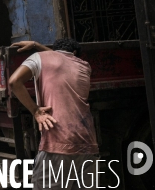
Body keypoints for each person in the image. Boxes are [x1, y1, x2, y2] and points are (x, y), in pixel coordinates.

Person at [9, 39, 98, 189]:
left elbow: (14, 81)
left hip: (59, 141)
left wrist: (35, 110)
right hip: (88, 143)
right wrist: (38, 45)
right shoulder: (84, 66)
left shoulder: (40, 57)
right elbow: (63, 59)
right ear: (75, 54)